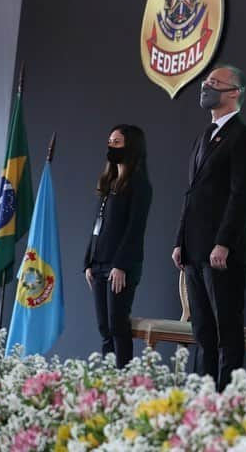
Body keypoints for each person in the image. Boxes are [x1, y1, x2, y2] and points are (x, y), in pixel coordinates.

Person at [172, 65, 246, 391]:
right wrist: (180, 239)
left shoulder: (244, 137)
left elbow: (241, 196)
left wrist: (223, 242)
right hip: (195, 248)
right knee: (203, 333)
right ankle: (203, 398)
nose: (205, 87)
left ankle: (225, 401)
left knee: (226, 331)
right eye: (206, 82)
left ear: (234, 92)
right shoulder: (203, 137)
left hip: (223, 252)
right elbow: (192, 193)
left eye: (214, 83)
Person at [84, 124, 152, 368]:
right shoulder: (109, 182)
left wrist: (121, 265)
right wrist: (88, 262)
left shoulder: (139, 184)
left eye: (117, 142)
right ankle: (108, 380)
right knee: (104, 328)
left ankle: (124, 380)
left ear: (131, 147)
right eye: (109, 141)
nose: (110, 146)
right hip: (99, 265)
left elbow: (135, 229)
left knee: (117, 325)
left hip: (120, 267)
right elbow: (97, 226)